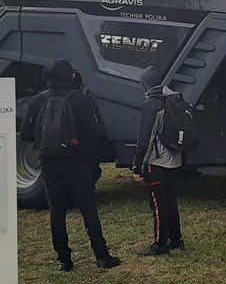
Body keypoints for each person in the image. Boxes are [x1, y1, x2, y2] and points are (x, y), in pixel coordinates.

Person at [20, 59, 120, 271]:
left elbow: (27, 134)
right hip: (77, 162)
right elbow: (94, 132)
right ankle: (102, 255)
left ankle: (64, 260)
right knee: (87, 208)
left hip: (49, 163)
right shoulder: (79, 99)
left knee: (57, 210)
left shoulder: (37, 100)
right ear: (70, 76)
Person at [132, 66, 184, 256]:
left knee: (157, 204)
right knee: (171, 201)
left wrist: (137, 165)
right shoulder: (174, 99)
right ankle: (176, 239)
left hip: (156, 161)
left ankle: (160, 244)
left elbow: (145, 137)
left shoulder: (151, 104)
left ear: (146, 83)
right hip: (174, 160)